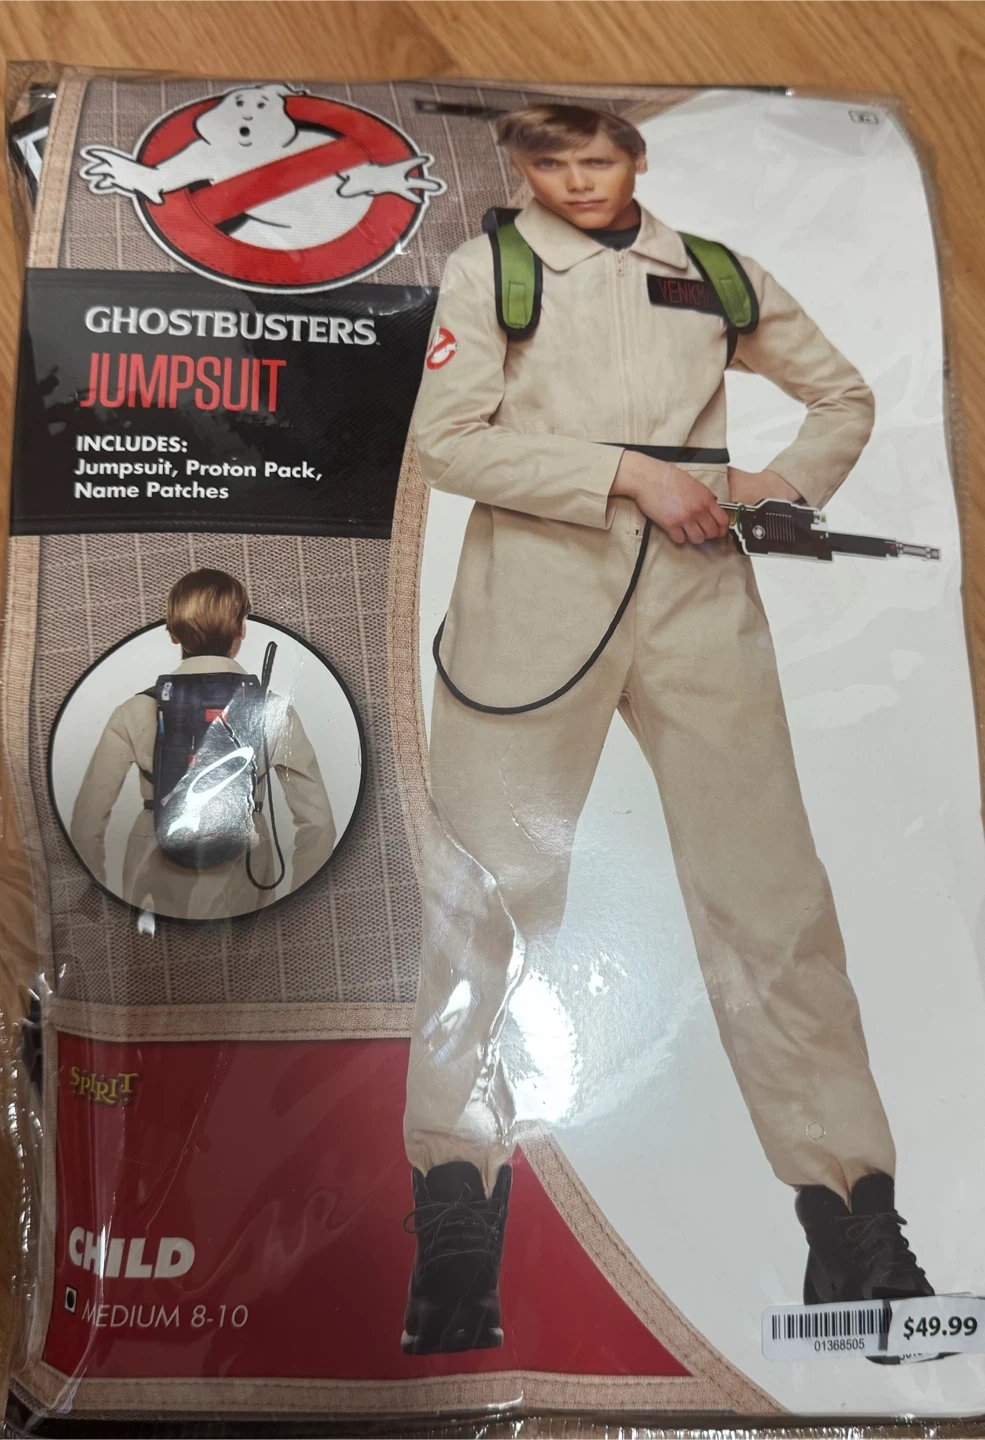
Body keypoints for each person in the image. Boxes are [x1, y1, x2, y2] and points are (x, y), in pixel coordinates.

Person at [400, 103, 933, 1358]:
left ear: (637, 159)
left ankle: (850, 1215)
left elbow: (841, 396)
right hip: (530, 608)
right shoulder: (494, 269)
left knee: (772, 903)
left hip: (700, 606)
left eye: (598, 158)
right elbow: (445, 443)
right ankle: (457, 1213)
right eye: (550, 162)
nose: (576, 181)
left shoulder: (713, 273)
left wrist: (776, 486)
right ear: (522, 166)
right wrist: (628, 474)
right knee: (489, 904)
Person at [70, 569, 336, 922]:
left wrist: (94, 899)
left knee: (158, 959)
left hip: (153, 874)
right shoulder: (273, 710)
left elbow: (87, 821)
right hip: (244, 873)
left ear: (172, 632)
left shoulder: (134, 711)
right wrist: (299, 909)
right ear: (242, 629)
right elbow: (318, 823)